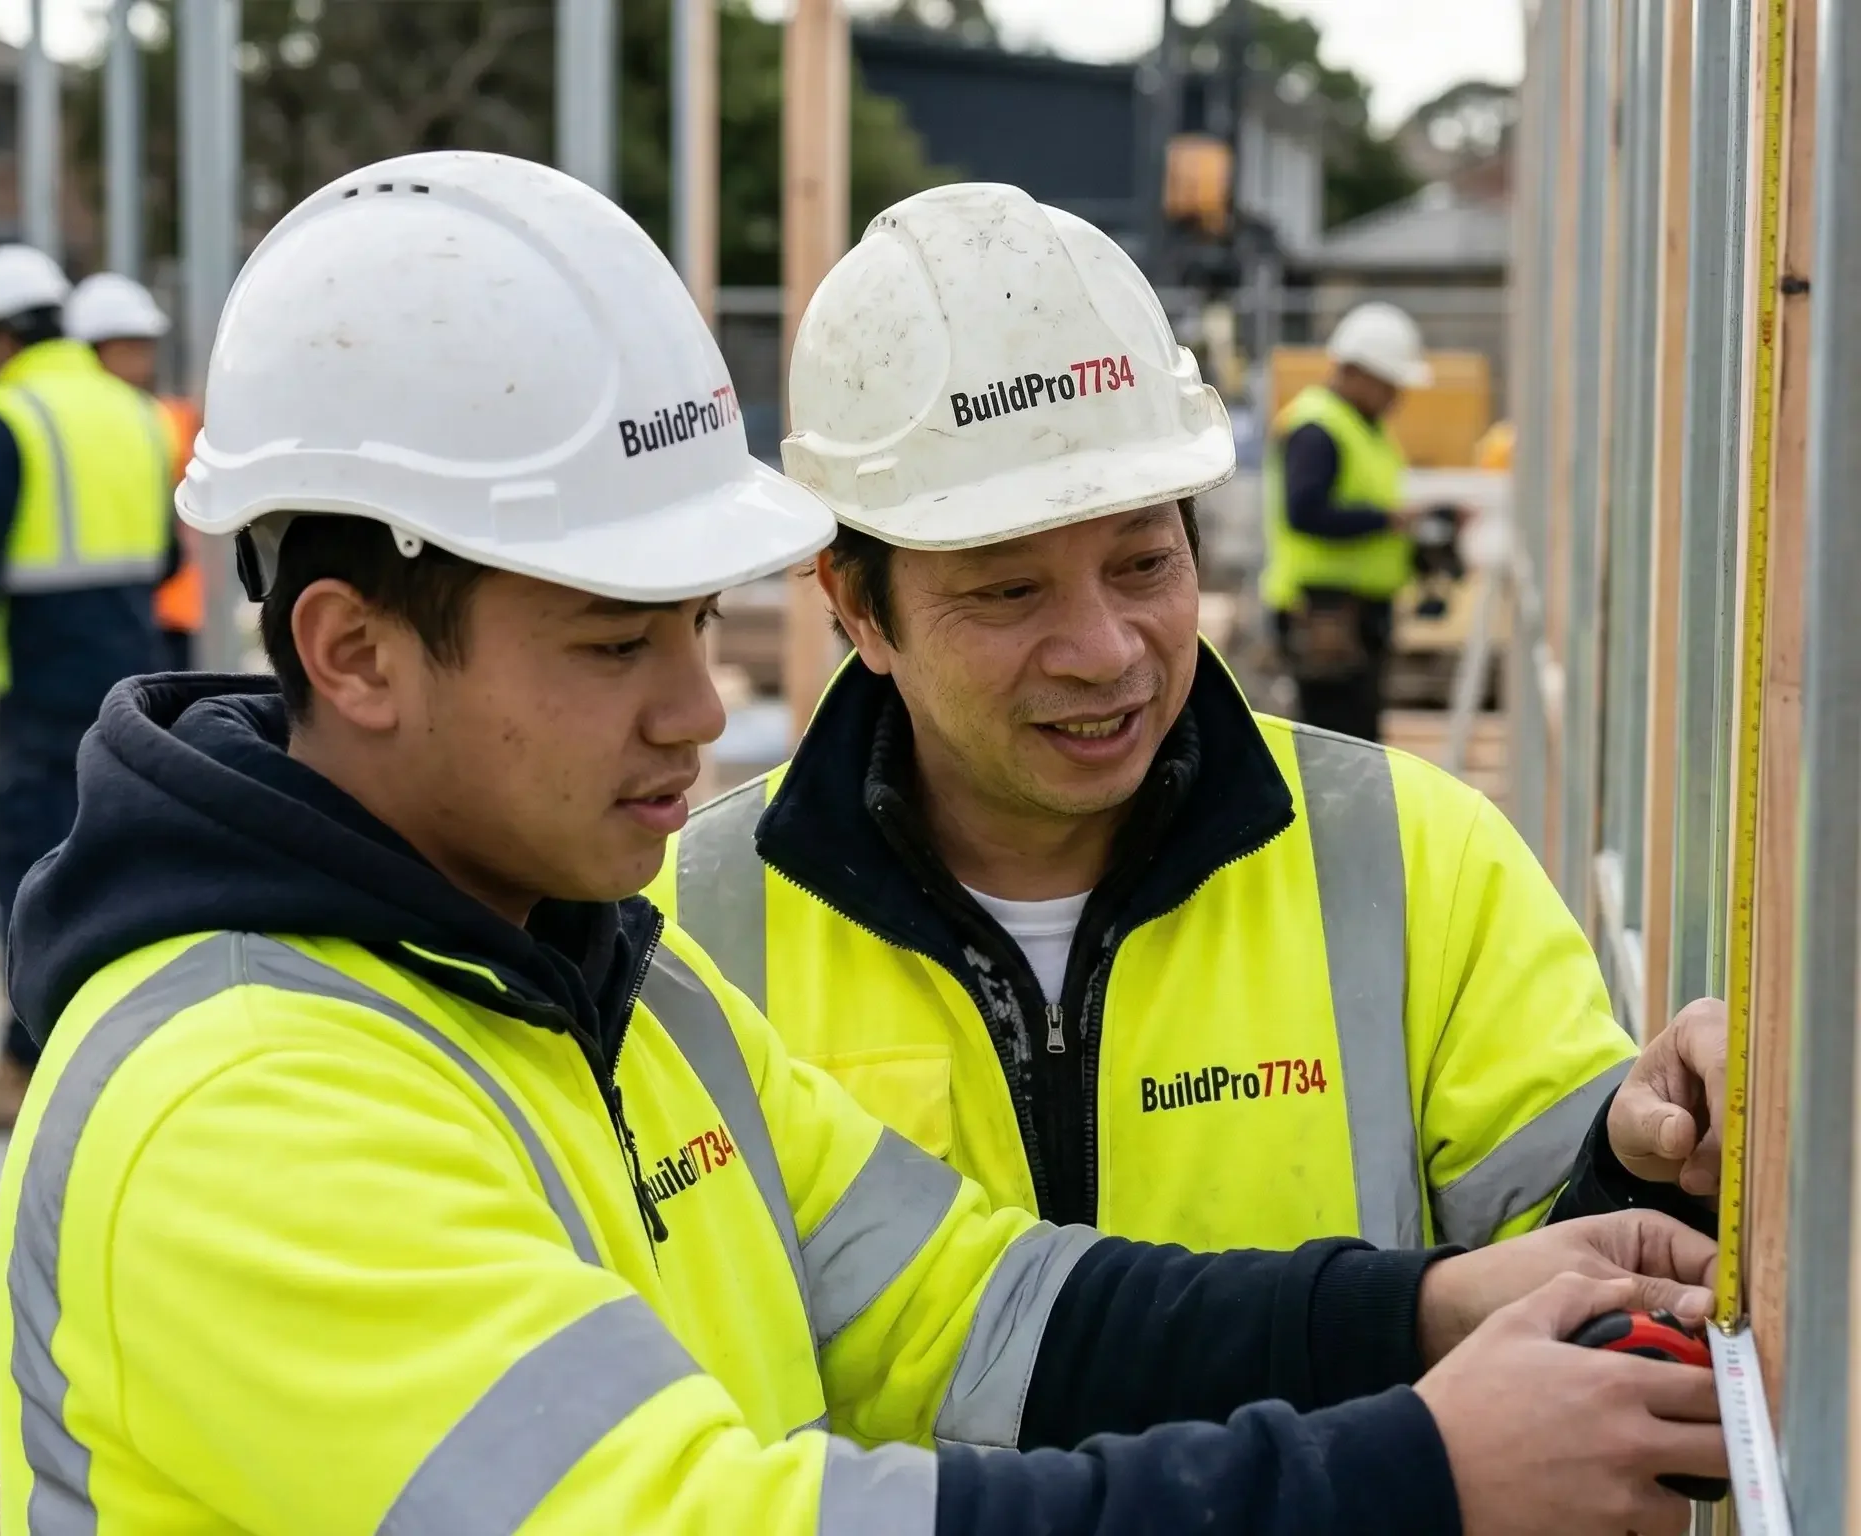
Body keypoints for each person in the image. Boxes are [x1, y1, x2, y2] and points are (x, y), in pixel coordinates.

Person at [0, 153, 1725, 1536]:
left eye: (691, 626)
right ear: (355, 652)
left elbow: (984, 1314)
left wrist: (1431, 1308)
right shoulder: (247, 1108)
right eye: (614, 647)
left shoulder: (607, 989)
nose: (698, 709)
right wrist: (1410, 1473)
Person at [652, 184, 1724, 1259]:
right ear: (853, 606)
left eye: (1142, 564)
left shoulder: (1412, 868)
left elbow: (1581, 1268)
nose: (1107, 649)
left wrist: (1650, 1163)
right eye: (1008, 592)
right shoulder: (683, 941)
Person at [0, 244, 174, 1134]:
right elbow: (168, 553)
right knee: (120, 865)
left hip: (39, 682)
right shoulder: (134, 411)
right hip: (132, 675)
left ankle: (27, 1066)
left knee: (28, 874)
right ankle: (123, 1051)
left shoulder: (10, 415)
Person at [1259, 300, 1431, 742]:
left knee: (1356, 743)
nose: (1397, 396)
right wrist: (1387, 519)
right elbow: (1305, 512)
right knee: (1336, 747)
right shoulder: (1318, 429)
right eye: (1390, 383)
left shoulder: (1363, 428)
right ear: (1357, 372)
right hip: (1324, 615)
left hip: (1352, 616)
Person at [64, 272, 203, 671]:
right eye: (131, 349)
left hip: (169, 612)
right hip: (108, 615)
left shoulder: (164, 420)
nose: (143, 362)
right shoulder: (81, 428)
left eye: (146, 348)